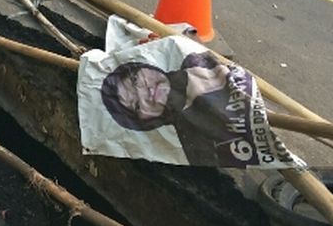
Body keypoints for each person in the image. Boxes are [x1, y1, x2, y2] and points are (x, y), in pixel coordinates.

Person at [100, 52, 241, 167]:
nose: (146, 92)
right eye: (137, 105)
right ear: (145, 121)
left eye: (136, 80)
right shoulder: (197, 147)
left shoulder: (195, 62)